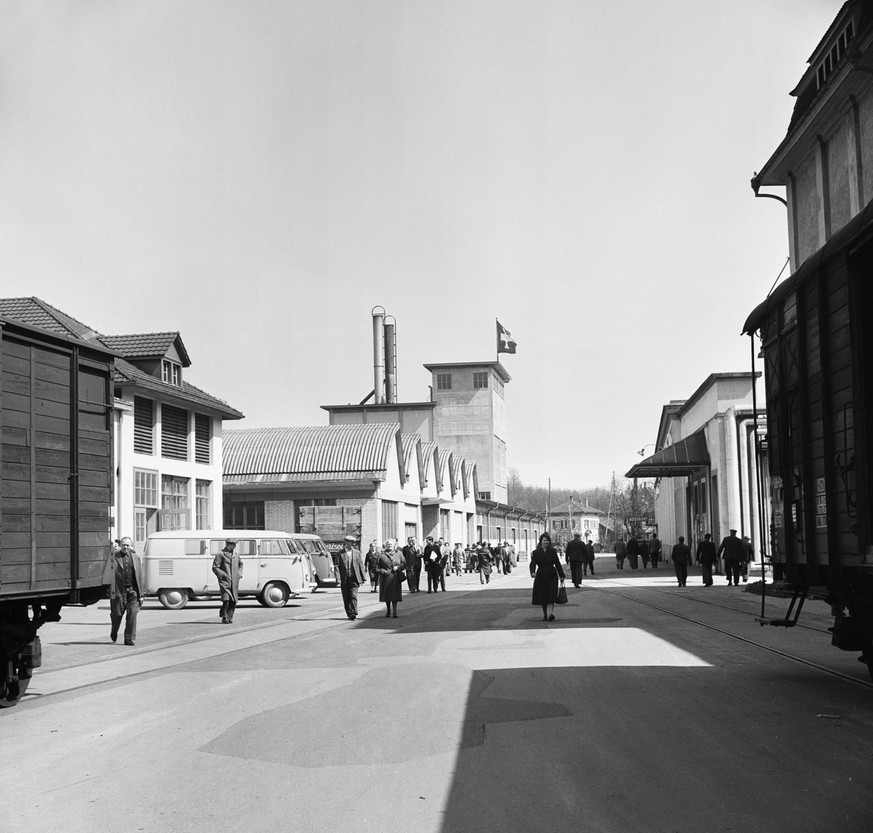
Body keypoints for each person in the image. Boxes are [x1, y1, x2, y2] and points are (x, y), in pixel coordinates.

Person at [102, 536, 143, 646]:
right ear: (120, 545)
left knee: (132, 614)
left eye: (128, 545)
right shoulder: (113, 557)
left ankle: (129, 639)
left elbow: (139, 577)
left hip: (133, 592)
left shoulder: (136, 558)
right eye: (124, 545)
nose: (126, 547)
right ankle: (114, 630)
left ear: (131, 546)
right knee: (117, 614)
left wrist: (141, 594)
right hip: (119, 591)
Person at [530, 532, 565, 622]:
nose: (546, 542)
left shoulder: (552, 552)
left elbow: (557, 564)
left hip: (551, 575)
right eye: (544, 540)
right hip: (541, 575)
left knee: (551, 595)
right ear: (541, 541)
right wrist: (533, 572)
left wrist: (561, 575)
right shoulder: (536, 552)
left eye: (548, 541)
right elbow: (533, 564)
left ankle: (550, 614)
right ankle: (545, 614)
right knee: (543, 596)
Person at [212, 537, 242, 624]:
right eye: (233, 544)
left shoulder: (236, 554)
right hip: (224, 581)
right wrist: (223, 575)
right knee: (226, 598)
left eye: (235, 544)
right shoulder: (220, 554)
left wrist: (239, 574)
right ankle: (224, 616)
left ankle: (230, 616)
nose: (235, 546)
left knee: (233, 599)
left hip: (234, 581)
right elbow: (215, 567)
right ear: (228, 545)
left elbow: (241, 564)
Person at [337, 535, 366, 620]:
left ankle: (353, 612)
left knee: (353, 596)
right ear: (346, 542)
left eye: (354, 542)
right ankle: (349, 613)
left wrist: (363, 577)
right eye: (351, 542)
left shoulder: (357, 553)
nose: (353, 544)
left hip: (354, 578)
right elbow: (337, 567)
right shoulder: (340, 554)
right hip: (344, 579)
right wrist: (338, 579)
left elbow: (361, 565)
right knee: (346, 597)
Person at [377, 540, 405, 618]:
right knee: (387, 595)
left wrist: (398, 567)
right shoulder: (381, 554)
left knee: (395, 595)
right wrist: (382, 571)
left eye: (391, 544)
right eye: (388, 544)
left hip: (395, 577)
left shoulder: (399, 553)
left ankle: (395, 611)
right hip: (385, 577)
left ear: (394, 545)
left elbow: (404, 563)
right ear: (386, 545)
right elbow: (376, 567)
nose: (389, 546)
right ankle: (388, 610)